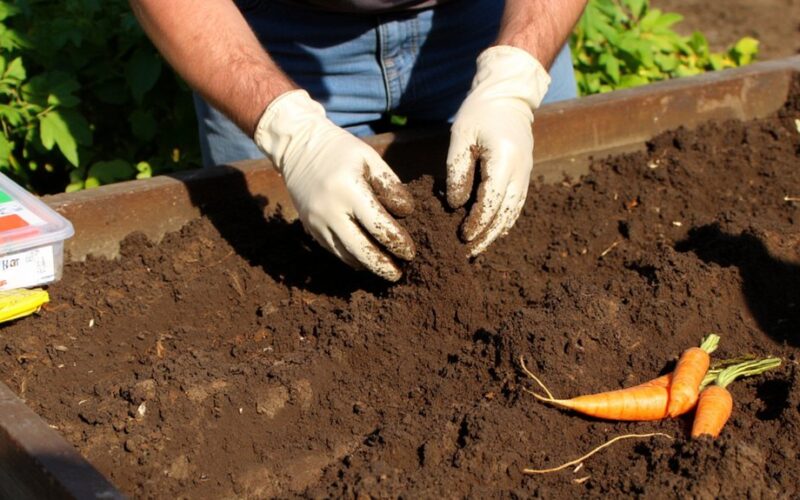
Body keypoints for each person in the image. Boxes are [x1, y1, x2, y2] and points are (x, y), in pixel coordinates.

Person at [129, 0, 587, 281]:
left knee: (545, 241)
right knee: (271, 259)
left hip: (489, 19)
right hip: (264, 35)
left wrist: (511, 81)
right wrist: (293, 133)